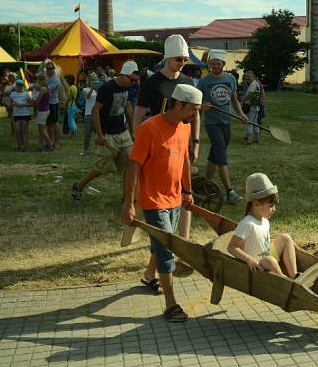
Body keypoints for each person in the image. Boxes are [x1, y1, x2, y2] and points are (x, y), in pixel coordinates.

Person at [121, 84, 202, 323]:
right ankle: (171, 305)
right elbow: (133, 166)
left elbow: (185, 160)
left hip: (175, 198)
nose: (195, 115)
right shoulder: (149, 129)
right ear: (178, 104)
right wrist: (129, 203)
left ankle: (149, 275)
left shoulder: (184, 128)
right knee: (167, 248)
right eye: (193, 110)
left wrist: (187, 190)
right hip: (153, 200)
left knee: (162, 242)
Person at [134, 35, 200, 239]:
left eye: (185, 60)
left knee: (185, 191)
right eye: (178, 59)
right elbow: (138, 114)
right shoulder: (152, 83)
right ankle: (145, 227)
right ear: (168, 58)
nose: (182, 63)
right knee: (151, 191)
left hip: (181, 143)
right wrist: (139, 142)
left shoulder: (188, 82)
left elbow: (195, 114)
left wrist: (195, 142)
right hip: (156, 144)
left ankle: (184, 240)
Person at [72, 61, 139, 201]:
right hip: (108, 134)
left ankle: (127, 197)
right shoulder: (107, 88)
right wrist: (100, 135)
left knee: (130, 164)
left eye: (135, 81)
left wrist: (134, 130)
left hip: (123, 132)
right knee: (104, 167)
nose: (133, 83)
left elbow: (127, 107)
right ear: (123, 75)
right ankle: (79, 185)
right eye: (131, 80)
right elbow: (95, 110)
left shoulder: (127, 88)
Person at [197, 51, 247, 205]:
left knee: (215, 155)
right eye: (213, 63)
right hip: (212, 122)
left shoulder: (230, 79)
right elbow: (197, 103)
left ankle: (205, 185)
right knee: (221, 156)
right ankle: (230, 191)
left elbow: (234, 100)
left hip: (227, 121)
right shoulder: (204, 82)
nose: (215, 66)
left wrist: (241, 114)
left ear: (224, 65)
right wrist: (203, 106)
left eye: (218, 63)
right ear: (210, 64)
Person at [228, 173, 300, 280]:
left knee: (285, 237)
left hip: (267, 256)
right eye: (271, 206)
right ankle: (285, 281)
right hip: (258, 264)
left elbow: (263, 241)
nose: (274, 209)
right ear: (256, 204)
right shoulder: (247, 224)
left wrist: (291, 245)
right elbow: (232, 247)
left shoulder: (264, 221)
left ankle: (294, 275)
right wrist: (249, 260)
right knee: (270, 260)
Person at [44, 60, 64, 149]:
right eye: (47, 68)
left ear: (54, 69)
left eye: (50, 68)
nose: (48, 70)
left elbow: (47, 90)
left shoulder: (56, 79)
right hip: (47, 103)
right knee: (48, 123)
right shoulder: (46, 77)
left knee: (54, 123)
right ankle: (50, 141)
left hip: (53, 103)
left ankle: (55, 142)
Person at [9, 79, 31, 152]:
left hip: (25, 113)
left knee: (24, 130)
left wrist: (23, 104)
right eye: (18, 85)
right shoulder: (12, 94)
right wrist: (13, 104)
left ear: (22, 86)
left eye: (20, 85)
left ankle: (24, 147)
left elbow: (31, 104)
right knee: (17, 130)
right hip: (17, 114)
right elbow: (8, 104)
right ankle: (19, 145)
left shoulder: (26, 94)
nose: (19, 87)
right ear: (16, 86)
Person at [241, 70, 262, 145]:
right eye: (246, 76)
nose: (247, 78)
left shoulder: (253, 84)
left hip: (252, 106)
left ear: (253, 77)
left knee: (249, 122)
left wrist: (243, 100)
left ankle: (249, 139)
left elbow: (250, 94)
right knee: (255, 122)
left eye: (249, 76)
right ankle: (256, 138)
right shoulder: (255, 83)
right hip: (255, 106)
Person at [32, 75, 52, 152]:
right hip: (46, 109)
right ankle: (42, 146)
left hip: (42, 110)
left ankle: (49, 145)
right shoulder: (47, 87)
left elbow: (38, 100)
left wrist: (32, 101)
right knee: (43, 129)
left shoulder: (43, 89)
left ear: (40, 80)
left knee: (42, 130)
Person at [80, 73, 100, 155]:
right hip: (88, 113)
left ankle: (97, 150)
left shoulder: (98, 90)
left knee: (98, 133)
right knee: (87, 133)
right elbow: (87, 97)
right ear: (89, 80)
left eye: (95, 79)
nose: (94, 81)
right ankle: (85, 150)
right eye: (93, 79)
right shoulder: (85, 89)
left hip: (97, 113)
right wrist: (92, 88)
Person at [65, 74, 78, 138]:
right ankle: (72, 134)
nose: (66, 81)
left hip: (71, 105)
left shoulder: (71, 87)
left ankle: (74, 134)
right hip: (74, 105)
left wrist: (66, 103)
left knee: (71, 120)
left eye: (67, 79)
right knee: (72, 119)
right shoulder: (75, 87)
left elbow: (70, 97)